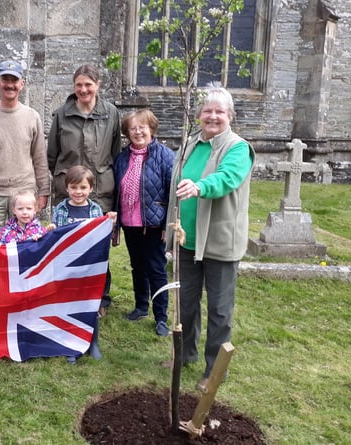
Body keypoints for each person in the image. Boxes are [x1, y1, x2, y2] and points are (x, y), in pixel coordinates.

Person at [165, 81, 255, 392]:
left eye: (219, 111)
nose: (212, 116)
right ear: (199, 115)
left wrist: (200, 187)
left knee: (219, 310)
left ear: (230, 115)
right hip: (187, 239)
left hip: (219, 242)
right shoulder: (191, 144)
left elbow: (227, 178)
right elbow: (175, 184)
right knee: (186, 303)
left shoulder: (238, 148)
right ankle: (185, 354)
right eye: (207, 111)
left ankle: (214, 371)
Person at [47, 63, 121, 313]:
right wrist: (62, 183)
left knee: (97, 249)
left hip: (99, 192)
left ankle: (100, 298)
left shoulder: (111, 113)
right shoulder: (62, 114)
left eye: (88, 84)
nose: (83, 89)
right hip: (67, 192)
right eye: (79, 84)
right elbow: (51, 155)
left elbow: (115, 153)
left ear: (97, 85)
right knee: (65, 247)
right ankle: (65, 295)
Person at [114, 109, 175, 337]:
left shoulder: (165, 156)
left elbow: (172, 193)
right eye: (133, 128)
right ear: (127, 133)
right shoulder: (121, 159)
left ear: (152, 129)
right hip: (131, 223)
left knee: (156, 269)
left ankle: (161, 317)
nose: (138, 131)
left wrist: (168, 225)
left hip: (155, 225)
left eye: (143, 127)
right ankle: (141, 307)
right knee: (137, 266)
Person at [0, 60, 50, 226]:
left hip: (24, 192)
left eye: (14, 80)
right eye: (5, 80)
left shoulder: (32, 117)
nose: (10, 85)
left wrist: (44, 191)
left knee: (25, 244)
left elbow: (40, 158)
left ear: (22, 84)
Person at [50, 165, 117, 363]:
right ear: (67, 188)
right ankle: (70, 343)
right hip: (67, 267)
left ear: (90, 189)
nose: (78, 192)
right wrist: (53, 230)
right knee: (68, 305)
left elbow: (101, 239)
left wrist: (109, 224)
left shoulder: (96, 210)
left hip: (89, 268)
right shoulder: (60, 209)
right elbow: (57, 240)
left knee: (90, 304)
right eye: (74, 187)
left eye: (83, 188)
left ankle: (92, 341)